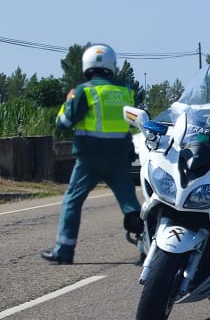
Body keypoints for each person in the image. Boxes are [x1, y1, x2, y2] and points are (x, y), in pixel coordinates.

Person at [42, 44, 143, 264]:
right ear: (111, 65)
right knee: (130, 204)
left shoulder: (85, 91)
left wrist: (68, 102)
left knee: (72, 201)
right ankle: (147, 250)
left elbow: (65, 122)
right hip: (120, 156)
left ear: (87, 66)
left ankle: (64, 251)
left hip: (90, 158)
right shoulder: (126, 90)